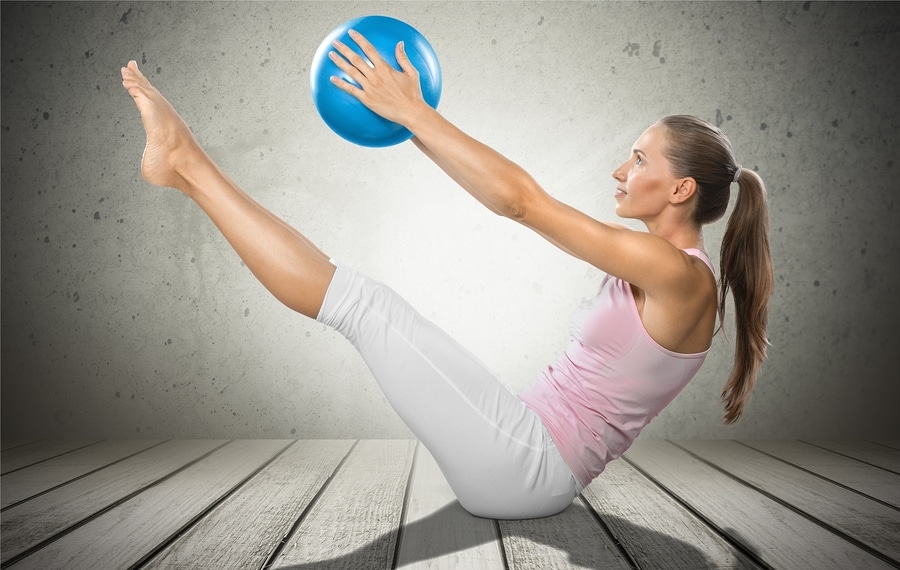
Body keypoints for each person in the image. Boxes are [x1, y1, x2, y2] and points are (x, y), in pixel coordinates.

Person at [120, 30, 773, 520]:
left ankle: (187, 165)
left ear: (681, 188)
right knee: (368, 306)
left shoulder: (676, 273)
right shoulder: (666, 267)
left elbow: (523, 203)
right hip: (525, 449)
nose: (620, 171)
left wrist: (415, 114)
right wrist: (409, 124)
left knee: (364, 306)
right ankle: (184, 168)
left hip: (528, 467)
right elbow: (509, 200)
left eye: (639, 159)